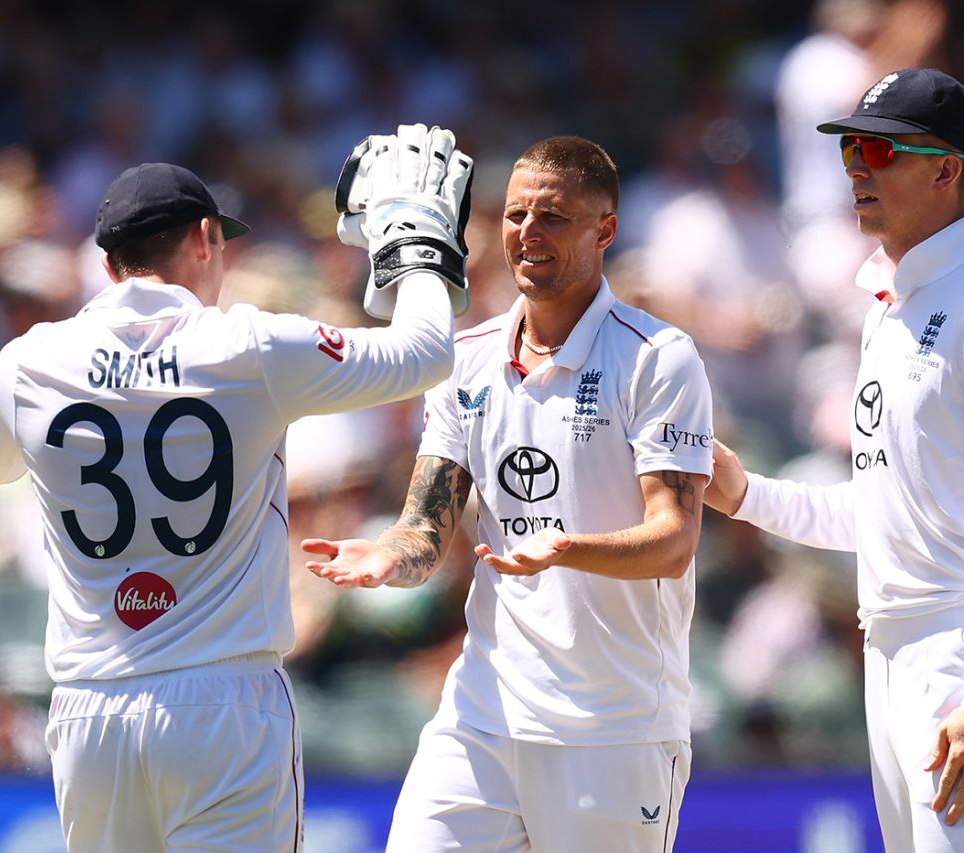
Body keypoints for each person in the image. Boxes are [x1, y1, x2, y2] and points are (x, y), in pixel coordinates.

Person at [0, 124, 471, 852]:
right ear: (206, 238)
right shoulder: (252, 346)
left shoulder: (28, 361)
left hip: (89, 711)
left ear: (110, 267)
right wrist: (415, 241)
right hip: (222, 703)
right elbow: (425, 352)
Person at [302, 136, 714, 852]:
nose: (527, 232)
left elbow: (674, 541)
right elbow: (425, 530)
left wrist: (565, 550)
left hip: (612, 725)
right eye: (516, 215)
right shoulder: (469, 357)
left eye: (552, 216)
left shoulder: (658, 357)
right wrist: (386, 557)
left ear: (605, 230)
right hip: (485, 709)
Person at [706, 68, 964, 852]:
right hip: (892, 649)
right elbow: (885, 511)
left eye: (876, 149)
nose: (856, 170)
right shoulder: (888, 307)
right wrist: (746, 494)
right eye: (848, 152)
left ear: (946, 170)